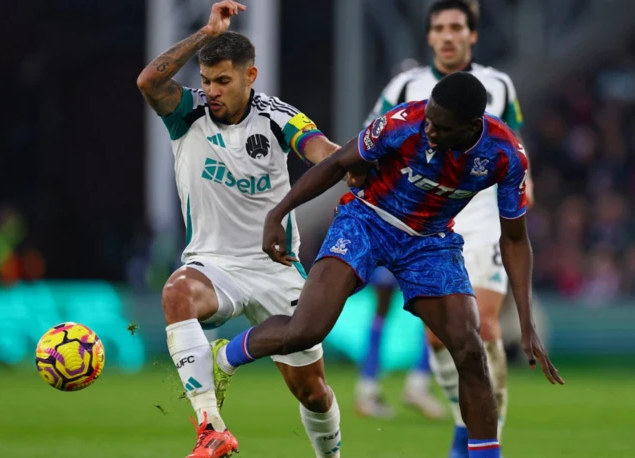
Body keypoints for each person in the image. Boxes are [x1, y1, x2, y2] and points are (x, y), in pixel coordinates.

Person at [210, 71, 564, 458]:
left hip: (429, 242)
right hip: (367, 221)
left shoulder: (505, 155)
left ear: (470, 126)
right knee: (305, 332)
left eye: (441, 127)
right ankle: (226, 355)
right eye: (428, 118)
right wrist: (278, 213)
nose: (429, 130)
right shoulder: (404, 123)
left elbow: (514, 238)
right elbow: (336, 163)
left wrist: (527, 324)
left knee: (470, 352)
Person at [136, 2, 342, 457]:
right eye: (206, 80)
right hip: (215, 265)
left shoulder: (276, 116)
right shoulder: (185, 112)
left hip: (275, 270)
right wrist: (206, 32)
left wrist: (352, 164)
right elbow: (149, 81)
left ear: (251, 76)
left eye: (223, 81)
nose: (211, 91)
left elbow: (320, 150)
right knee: (177, 293)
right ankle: (211, 428)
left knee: (312, 392)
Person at [356, 2, 535, 453]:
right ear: (430, 37)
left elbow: (513, 141)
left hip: (482, 220)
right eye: (439, 28)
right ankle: (466, 427)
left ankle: (479, 445)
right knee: (439, 337)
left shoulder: (498, 84)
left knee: (486, 328)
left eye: (457, 27)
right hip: (424, 225)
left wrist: (525, 182)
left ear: (472, 35)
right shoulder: (405, 84)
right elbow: (372, 137)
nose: (448, 35)